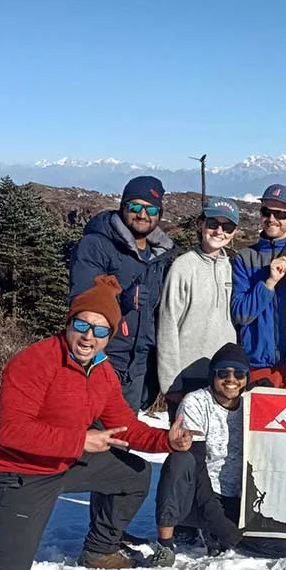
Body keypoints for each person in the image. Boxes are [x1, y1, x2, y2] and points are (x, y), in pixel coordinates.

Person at [0, 276, 192, 570]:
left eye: (100, 330)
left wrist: (167, 440)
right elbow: (12, 432)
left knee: (135, 474)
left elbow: (124, 426)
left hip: (64, 462)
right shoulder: (34, 362)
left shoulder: (101, 370)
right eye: (82, 325)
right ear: (69, 323)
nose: (88, 337)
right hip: (17, 473)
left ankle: (99, 550)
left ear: (109, 336)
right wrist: (80, 440)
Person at [69, 176, 177, 411]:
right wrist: (121, 299)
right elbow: (83, 300)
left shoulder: (158, 255)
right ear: (122, 207)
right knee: (92, 435)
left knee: (123, 437)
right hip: (103, 358)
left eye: (151, 209)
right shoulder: (96, 245)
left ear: (160, 214)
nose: (142, 215)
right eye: (135, 207)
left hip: (137, 364)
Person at [151, 343, 250, 566]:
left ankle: (210, 526)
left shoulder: (252, 404)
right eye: (223, 373)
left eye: (239, 373)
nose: (231, 379)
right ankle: (168, 541)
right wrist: (216, 520)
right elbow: (196, 465)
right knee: (180, 459)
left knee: (276, 547)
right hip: (202, 491)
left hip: (236, 493)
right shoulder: (195, 402)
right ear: (212, 376)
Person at [231, 184, 286, 389]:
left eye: (280, 213)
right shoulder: (245, 258)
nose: (272, 218)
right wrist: (269, 283)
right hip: (256, 364)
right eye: (266, 212)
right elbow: (241, 314)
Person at [157, 197, 239, 421]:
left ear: (234, 233)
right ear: (202, 225)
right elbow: (167, 324)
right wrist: (171, 382)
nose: (219, 231)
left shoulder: (233, 268)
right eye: (213, 224)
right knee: (187, 447)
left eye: (227, 226)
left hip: (225, 376)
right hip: (187, 375)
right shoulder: (183, 266)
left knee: (221, 448)